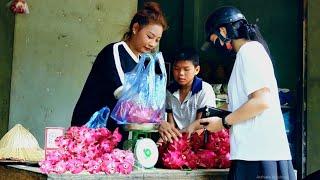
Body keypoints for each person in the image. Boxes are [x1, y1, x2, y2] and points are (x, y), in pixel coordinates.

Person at [198, 6, 295, 179]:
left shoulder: (249, 52)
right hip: (255, 152)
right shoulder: (250, 52)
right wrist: (203, 121)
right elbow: (244, 103)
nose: (218, 46)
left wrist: (223, 123)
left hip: (257, 153)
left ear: (223, 30)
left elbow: (261, 102)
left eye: (215, 40)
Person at [71, 2, 168, 146]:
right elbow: (125, 97)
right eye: (149, 36)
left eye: (157, 40)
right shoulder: (114, 52)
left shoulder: (145, 62)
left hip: (115, 134)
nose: (153, 44)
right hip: (91, 129)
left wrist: (160, 118)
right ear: (135, 28)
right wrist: (157, 120)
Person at [163, 48, 216, 139]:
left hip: (198, 140)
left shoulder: (204, 90)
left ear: (197, 70)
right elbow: (170, 123)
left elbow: (201, 123)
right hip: (177, 140)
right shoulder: (169, 91)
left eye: (186, 69)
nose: (181, 74)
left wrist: (178, 134)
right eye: (176, 69)